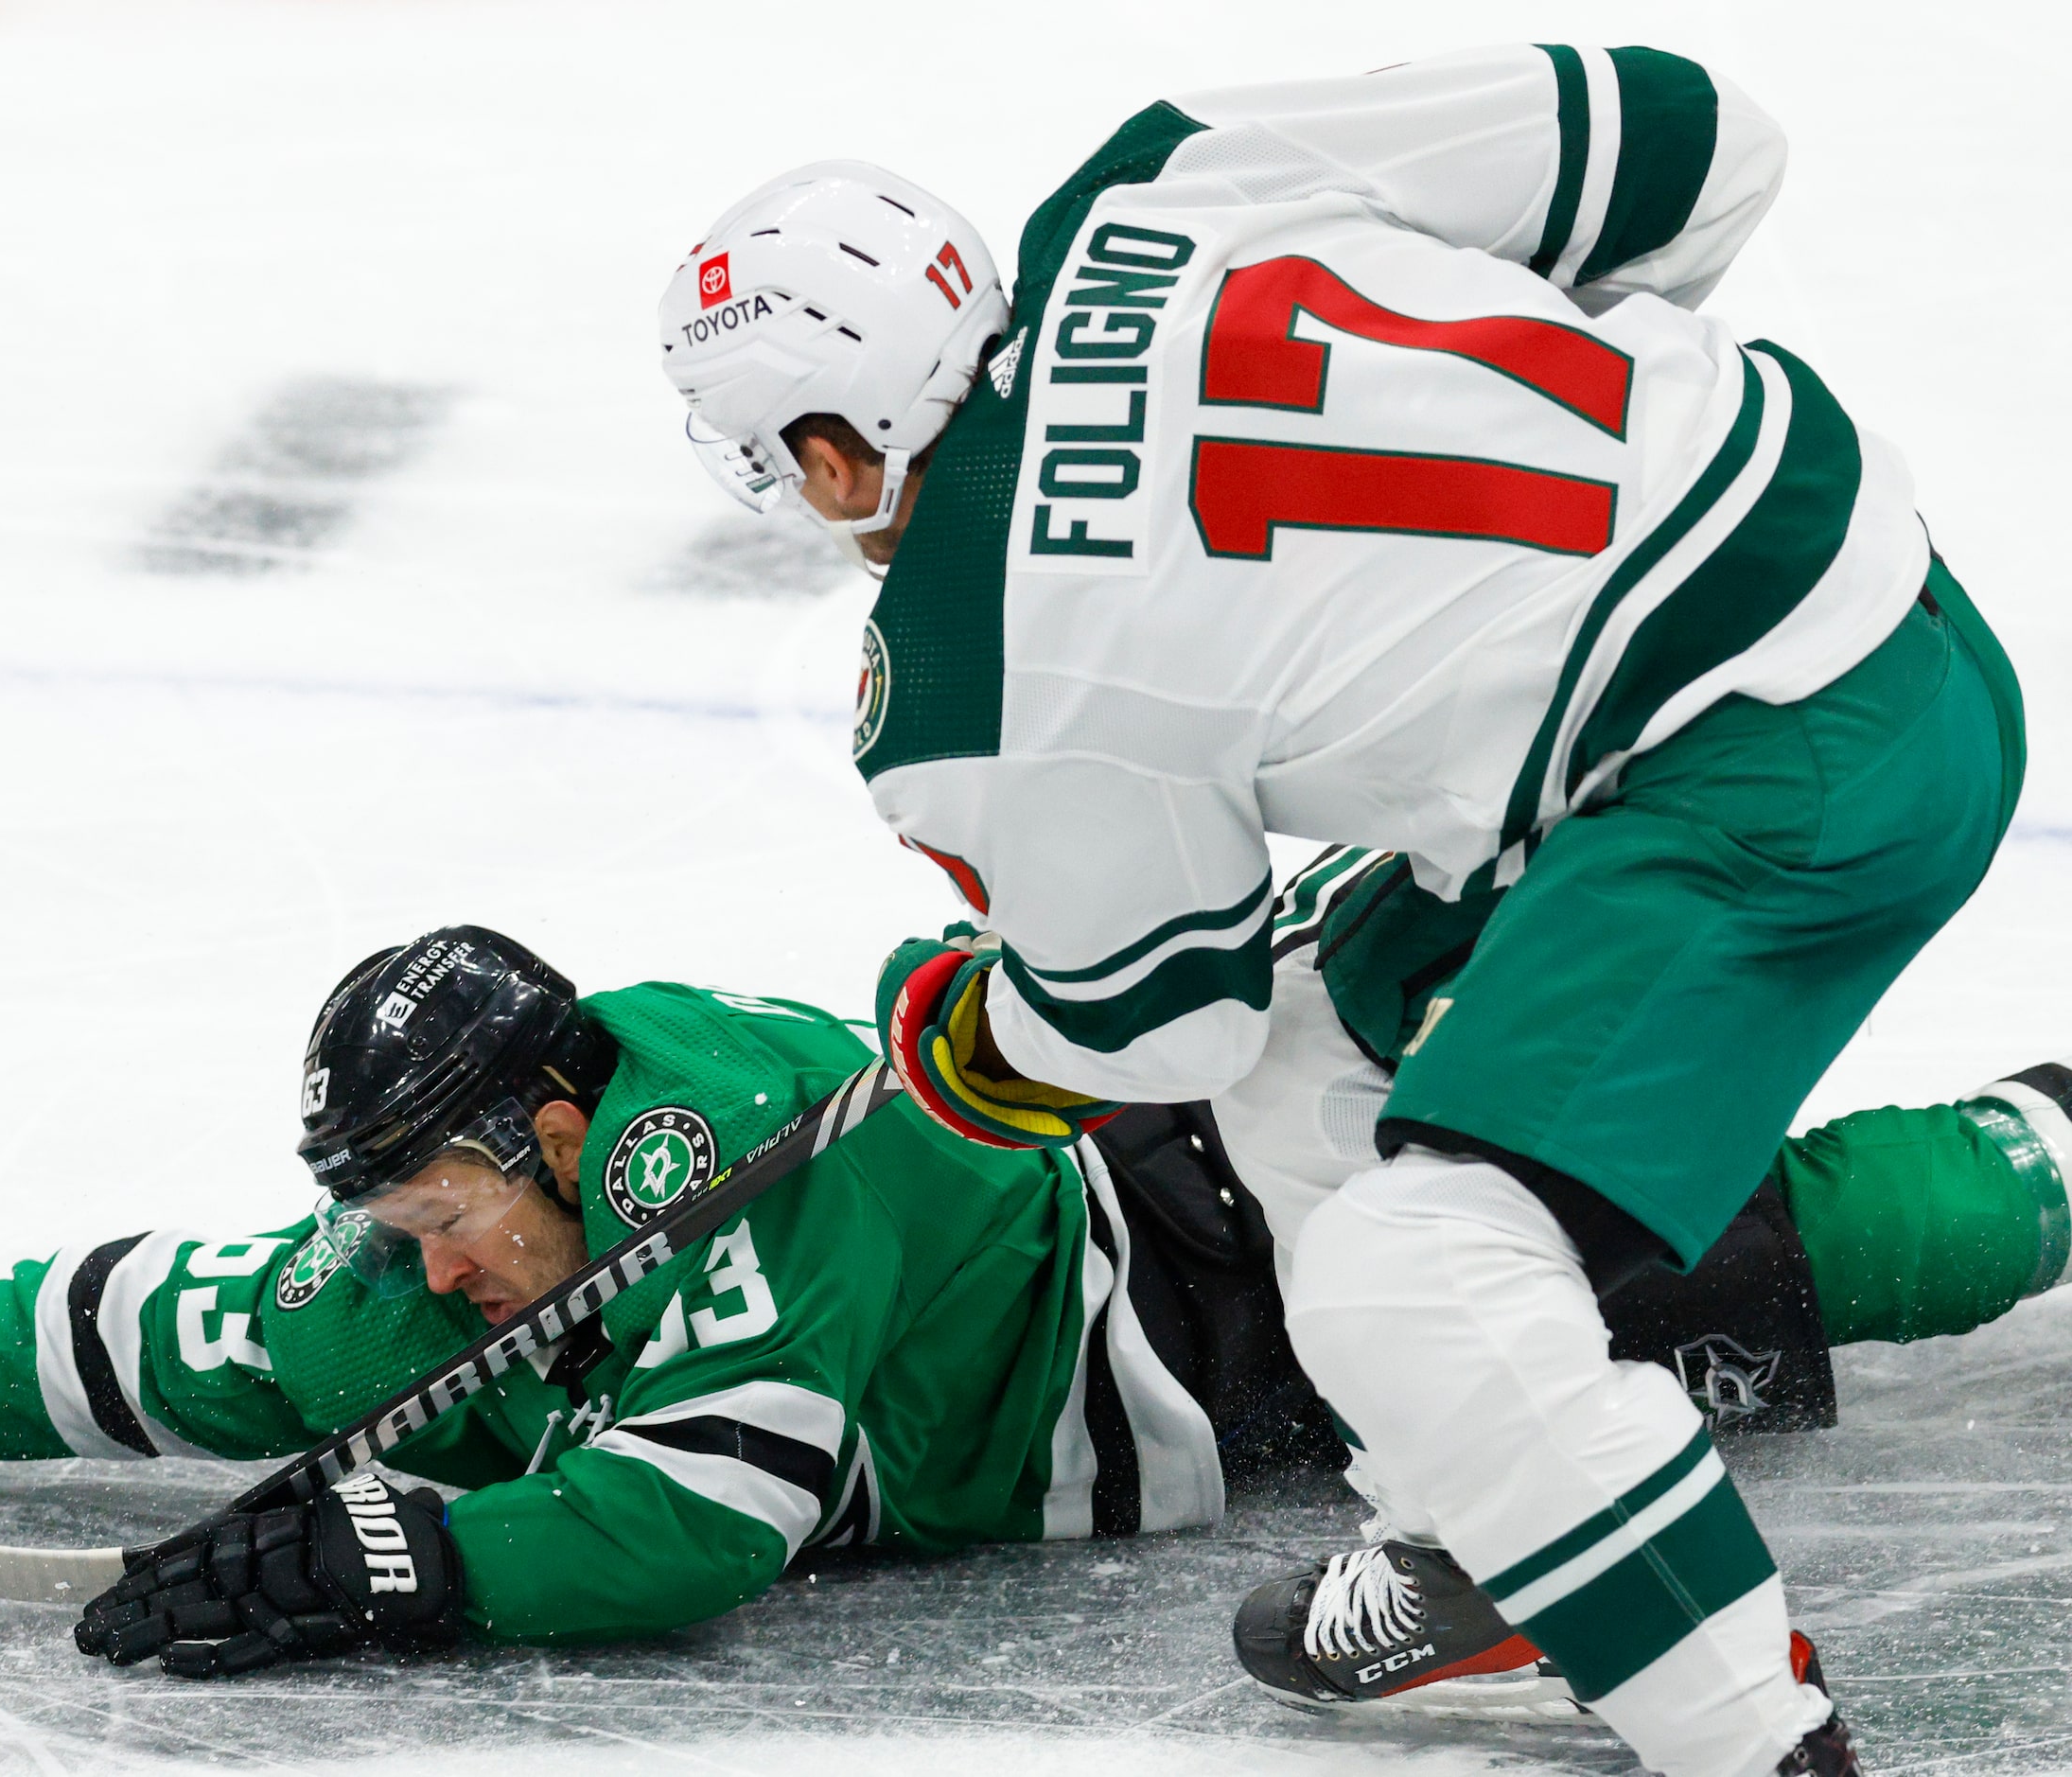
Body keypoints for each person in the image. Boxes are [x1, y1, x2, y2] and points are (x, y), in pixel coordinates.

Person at [659, 43, 2025, 1777]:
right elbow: (1700, 138)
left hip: (1793, 764)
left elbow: (1151, 1020)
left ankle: (1756, 1739)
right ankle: (1507, 1552)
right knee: (1312, 1053)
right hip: (1876, 585)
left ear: (841, 453)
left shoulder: (964, 670)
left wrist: (969, 1041)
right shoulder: (1167, 184)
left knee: (1407, 1272)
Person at [0, 920, 2069, 1716]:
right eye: (402, 1217)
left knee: (1829, 1231)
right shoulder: (454, 1246)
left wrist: (409, 1568)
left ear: (563, 1128)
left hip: (1268, 1312)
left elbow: (710, 1515)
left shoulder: (715, 1153)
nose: (426, 1259)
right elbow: (152, 1321)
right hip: (1181, 1198)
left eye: (450, 1200)